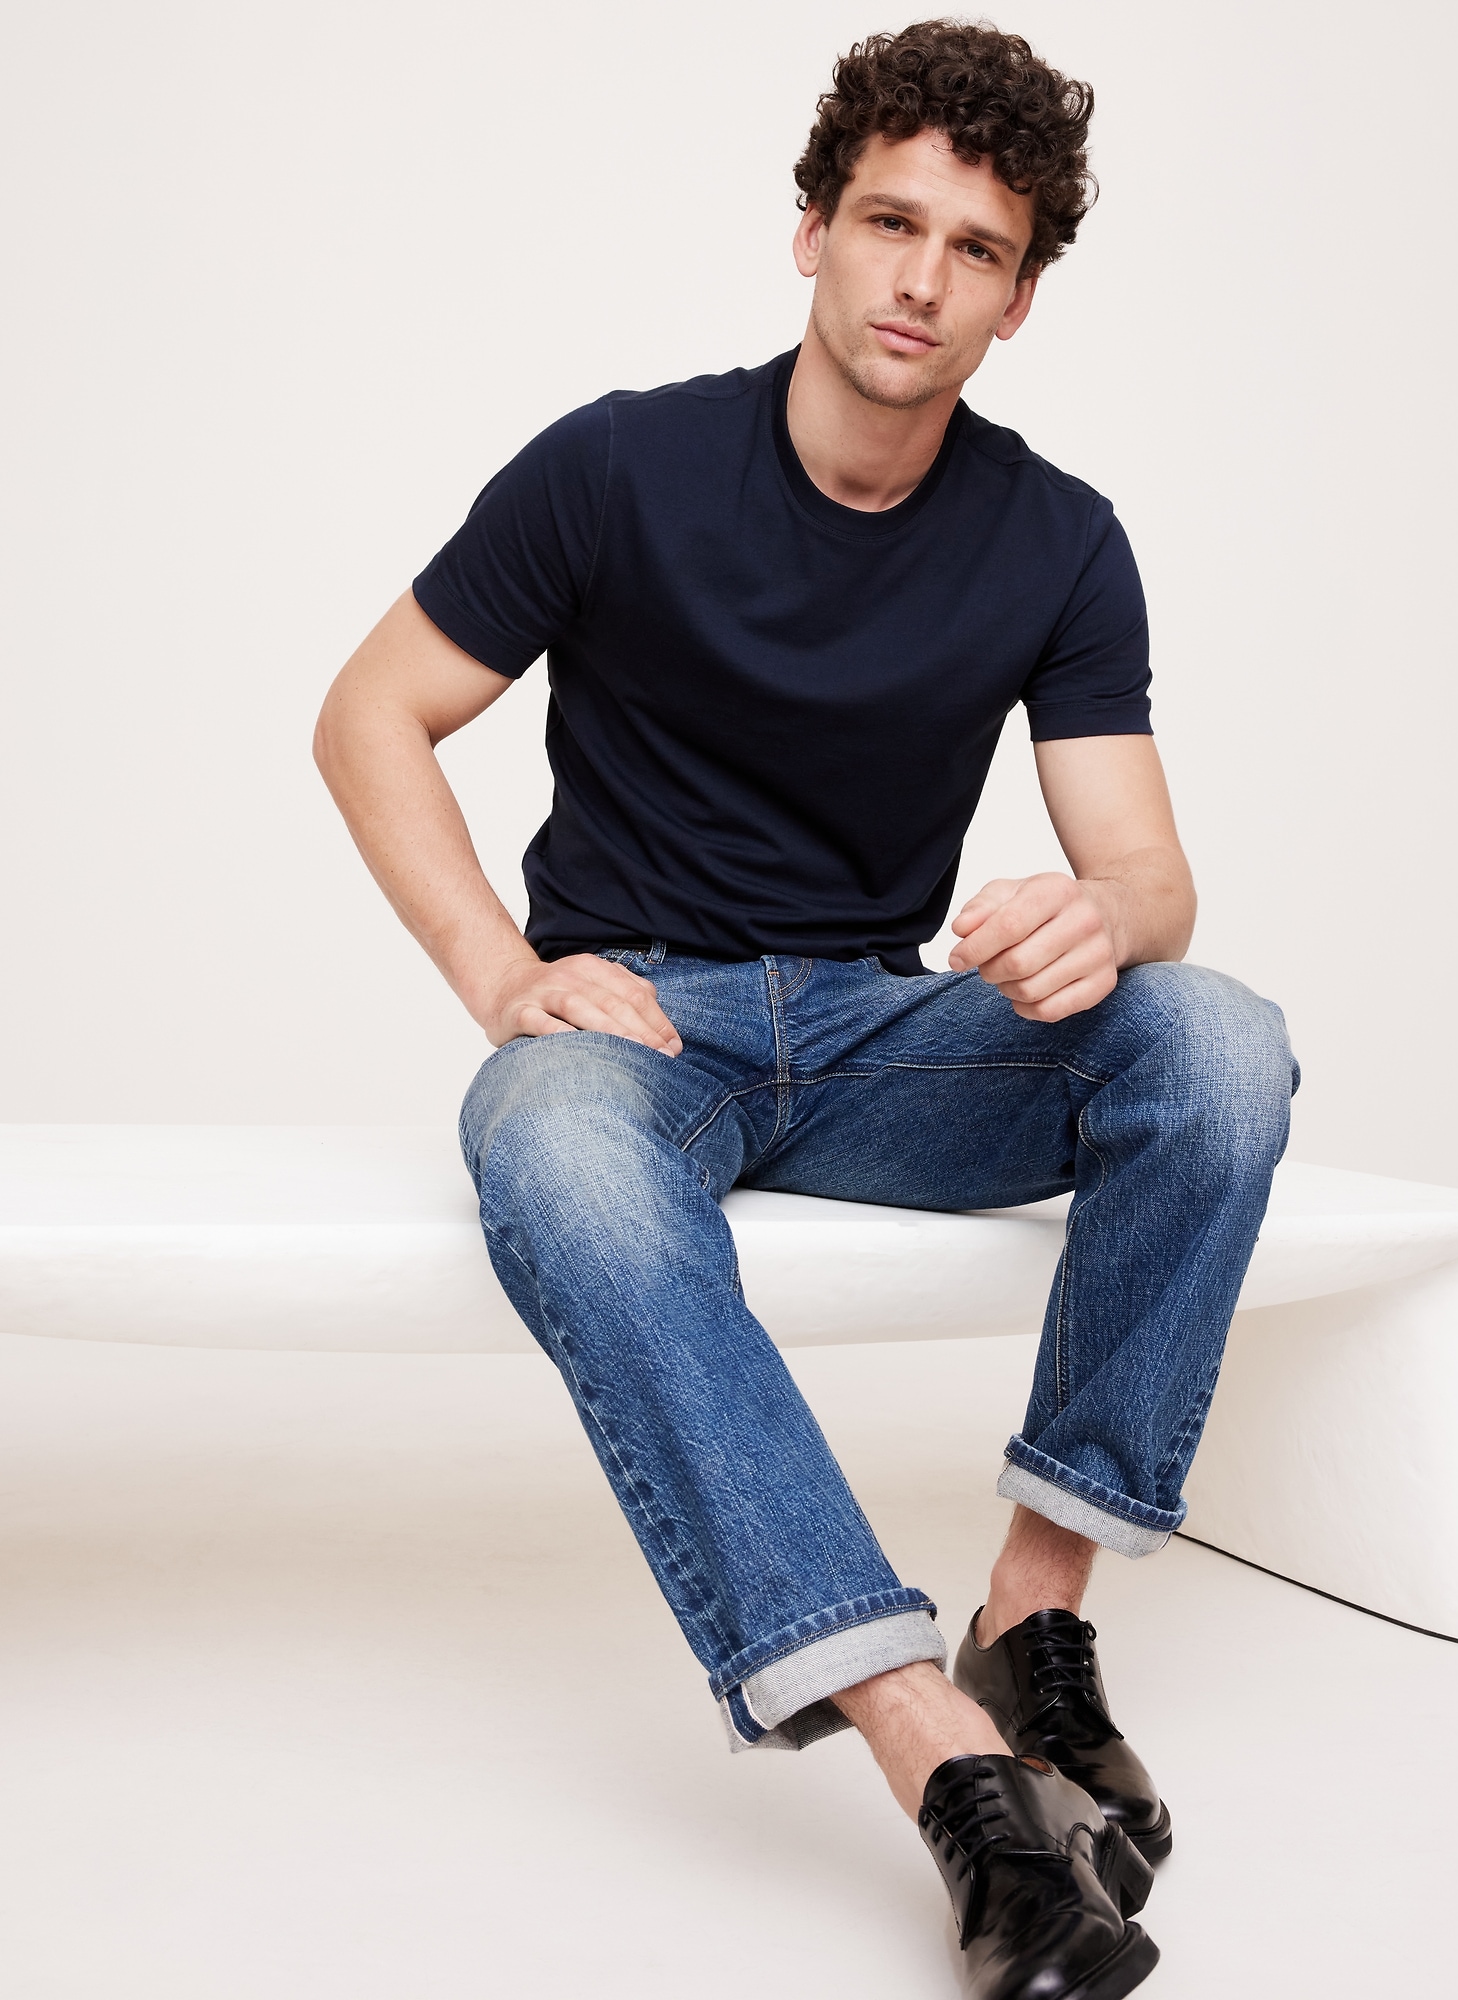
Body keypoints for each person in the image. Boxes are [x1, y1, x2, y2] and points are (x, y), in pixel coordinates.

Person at [313, 20, 1296, 1996]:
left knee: (1217, 1040)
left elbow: (1155, 881)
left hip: (880, 1036)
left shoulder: (1057, 537)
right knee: (557, 1157)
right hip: (642, 1034)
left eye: (976, 248)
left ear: (1019, 298)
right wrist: (501, 974)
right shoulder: (619, 465)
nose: (921, 277)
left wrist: (1096, 917)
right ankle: (944, 1767)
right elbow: (369, 713)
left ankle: (1034, 1622)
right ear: (812, 235)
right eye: (888, 222)